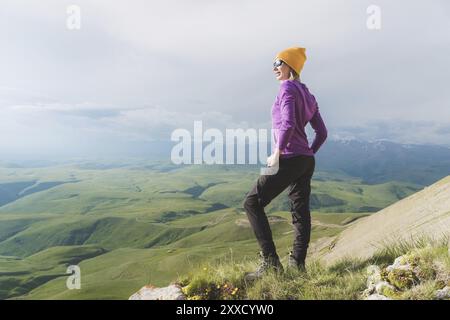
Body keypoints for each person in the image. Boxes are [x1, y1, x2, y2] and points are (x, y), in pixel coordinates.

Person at [243, 47, 328, 280]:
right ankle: (297, 264)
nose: (274, 68)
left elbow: (288, 123)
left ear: (291, 65)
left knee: (251, 202)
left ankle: (270, 263)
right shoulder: (309, 95)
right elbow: (322, 132)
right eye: (273, 63)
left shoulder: (287, 88)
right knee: (300, 212)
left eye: (278, 62)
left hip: (286, 157)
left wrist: (278, 153)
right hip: (305, 161)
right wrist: (309, 153)